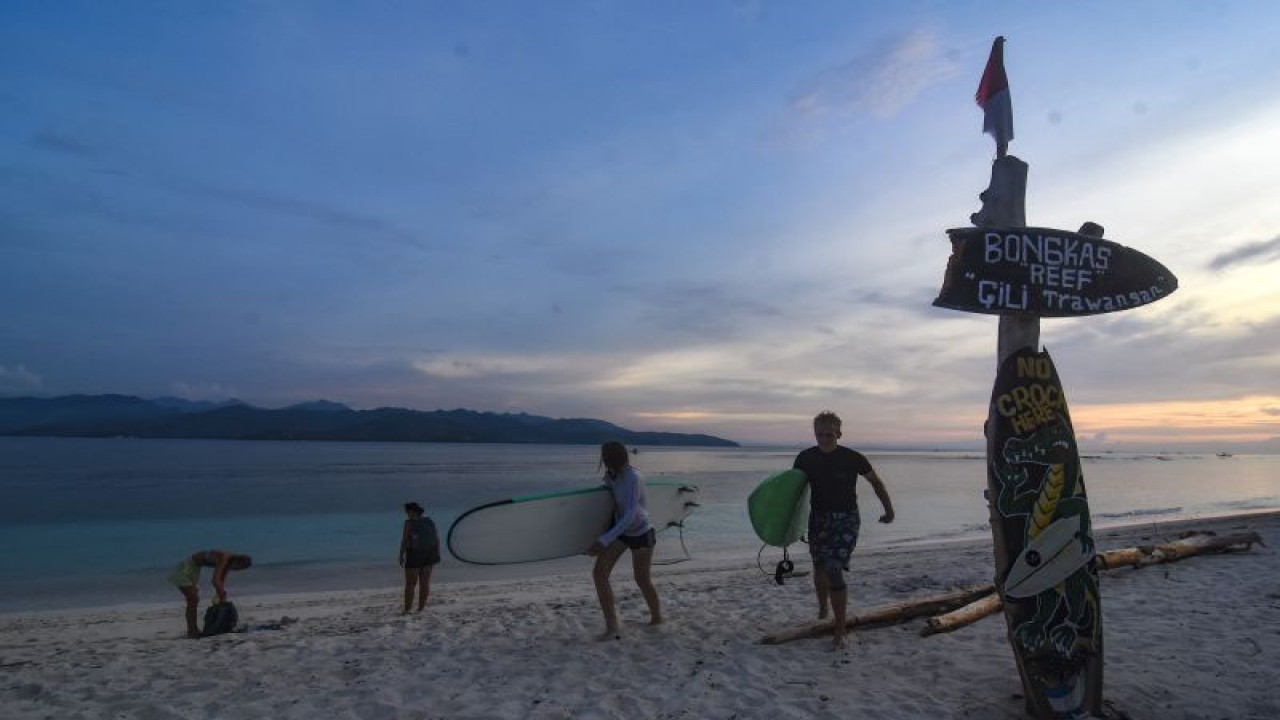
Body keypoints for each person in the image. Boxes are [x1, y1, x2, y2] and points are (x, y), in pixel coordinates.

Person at [793, 411, 895, 649]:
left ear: (839, 433)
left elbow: (876, 482)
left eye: (829, 434)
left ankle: (840, 631)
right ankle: (822, 609)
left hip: (846, 519)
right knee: (818, 566)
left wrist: (889, 511)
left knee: (833, 568)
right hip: (818, 518)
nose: (824, 439)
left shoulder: (853, 458)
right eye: (820, 434)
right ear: (814, 433)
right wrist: (788, 525)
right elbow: (795, 493)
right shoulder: (805, 458)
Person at [585, 441, 662, 639]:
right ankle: (612, 627)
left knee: (642, 580)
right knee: (599, 574)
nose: (603, 460)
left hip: (641, 532)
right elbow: (610, 498)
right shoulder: (613, 475)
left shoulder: (633, 478)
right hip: (621, 533)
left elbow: (630, 515)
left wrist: (603, 540)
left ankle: (657, 618)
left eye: (605, 457)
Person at [168, 549, 252, 638]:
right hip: (186, 568)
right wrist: (221, 594)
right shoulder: (224, 558)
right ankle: (192, 631)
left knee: (193, 600)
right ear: (237, 561)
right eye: (237, 568)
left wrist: (219, 597)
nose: (235, 570)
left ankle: (193, 630)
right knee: (193, 599)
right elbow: (215, 581)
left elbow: (221, 581)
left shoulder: (228, 563)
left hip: (194, 569)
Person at [399, 501, 440, 614]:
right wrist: (437, 553)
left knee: (410, 583)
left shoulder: (409, 523)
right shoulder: (429, 521)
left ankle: (407, 609)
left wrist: (401, 555)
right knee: (425, 582)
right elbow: (437, 538)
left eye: (408, 512)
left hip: (415, 554)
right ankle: (421, 608)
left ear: (412, 512)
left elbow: (405, 540)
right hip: (430, 554)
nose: (407, 514)